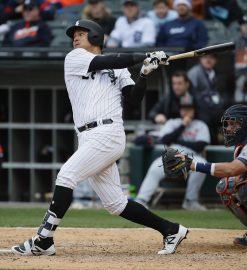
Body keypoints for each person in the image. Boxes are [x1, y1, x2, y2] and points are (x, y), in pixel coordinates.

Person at [10, 19, 188, 256]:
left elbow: (133, 100)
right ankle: (171, 229)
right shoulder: (74, 58)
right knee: (115, 203)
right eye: (74, 34)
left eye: (81, 34)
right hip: (88, 136)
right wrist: (144, 56)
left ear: (95, 36)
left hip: (108, 133)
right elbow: (104, 61)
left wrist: (145, 73)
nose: (75, 38)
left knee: (66, 176)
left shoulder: (119, 69)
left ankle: (43, 241)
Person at [171, 104, 247, 250]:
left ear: (246, 125)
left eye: (233, 124)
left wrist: (193, 164)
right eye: (228, 124)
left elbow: (231, 169)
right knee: (227, 186)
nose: (228, 128)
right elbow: (236, 175)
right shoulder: (244, 144)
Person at [135, 96, 210, 210]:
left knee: (202, 165)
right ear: (180, 110)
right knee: (155, 168)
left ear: (194, 110)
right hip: (171, 157)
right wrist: (183, 126)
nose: (186, 112)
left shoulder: (200, 125)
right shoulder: (172, 123)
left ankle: (190, 201)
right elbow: (165, 140)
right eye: (184, 109)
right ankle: (141, 200)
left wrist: (177, 140)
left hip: (191, 156)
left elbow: (200, 146)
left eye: (189, 109)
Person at [187, 54, 223, 144]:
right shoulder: (194, 72)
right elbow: (190, 94)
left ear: (216, 60)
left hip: (213, 109)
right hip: (199, 111)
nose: (208, 60)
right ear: (200, 59)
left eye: (211, 57)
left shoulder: (213, 73)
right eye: (205, 57)